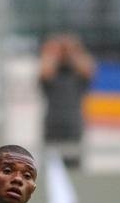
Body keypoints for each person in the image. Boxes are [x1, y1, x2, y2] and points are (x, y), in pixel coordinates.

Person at [40, 34, 97, 170]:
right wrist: (53, 51)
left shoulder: (77, 74)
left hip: (73, 125)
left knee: (74, 167)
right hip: (53, 125)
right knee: (50, 166)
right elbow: (44, 71)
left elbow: (87, 69)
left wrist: (74, 50)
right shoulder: (52, 72)